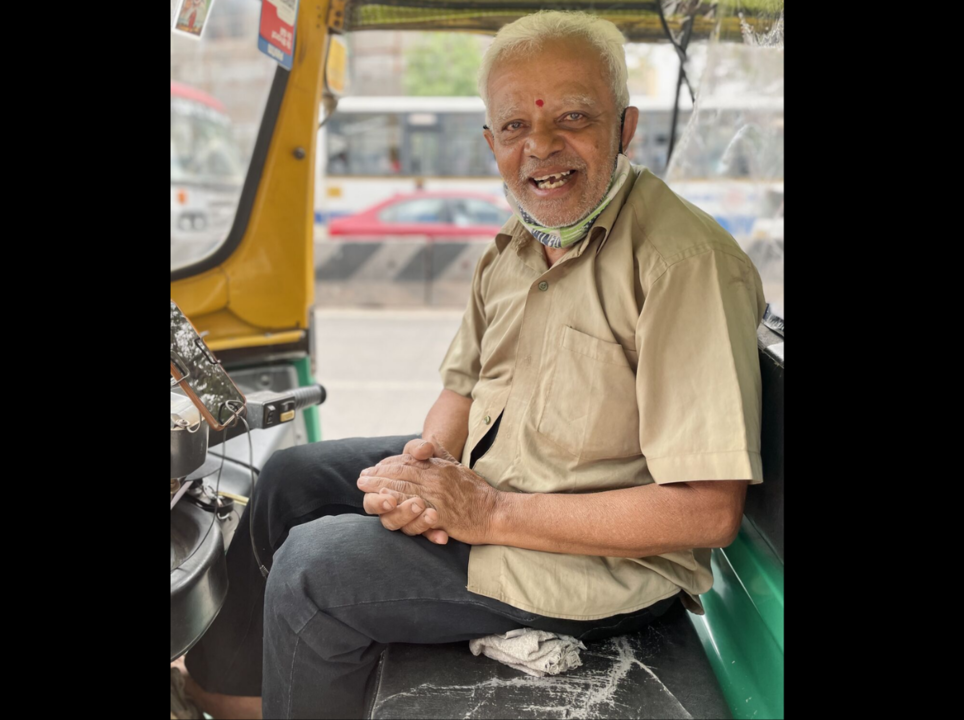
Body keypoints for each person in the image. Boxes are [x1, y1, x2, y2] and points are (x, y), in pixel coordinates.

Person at [181, 10, 767, 719]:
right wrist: (427, 464)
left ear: (625, 127)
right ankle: (229, 700)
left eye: (573, 117)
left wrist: (487, 512)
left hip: (603, 567)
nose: (541, 148)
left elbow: (705, 511)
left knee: (313, 570)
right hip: (503, 486)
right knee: (290, 479)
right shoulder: (521, 244)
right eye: (515, 127)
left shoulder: (684, 264)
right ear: (492, 143)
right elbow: (460, 390)